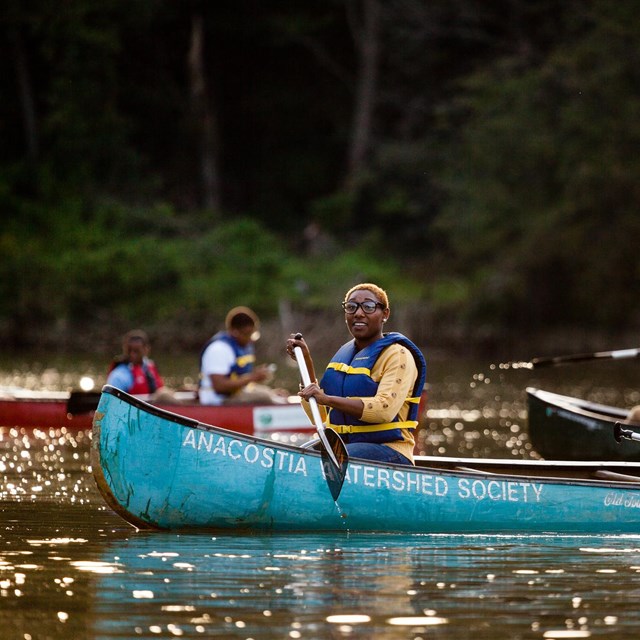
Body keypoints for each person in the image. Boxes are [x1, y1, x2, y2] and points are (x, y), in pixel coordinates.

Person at [286, 282, 426, 466]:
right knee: (295, 460)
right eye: (351, 307)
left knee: (329, 458)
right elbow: (319, 417)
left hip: (390, 451)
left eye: (368, 307)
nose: (358, 313)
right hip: (345, 446)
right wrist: (306, 362)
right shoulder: (345, 356)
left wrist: (327, 399)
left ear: (385, 314)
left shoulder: (398, 355)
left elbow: (383, 410)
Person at [199, 306, 286, 405]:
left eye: (253, 334)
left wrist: (268, 390)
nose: (250, 339)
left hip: (235, 394)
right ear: (234, 332)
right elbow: (219, 386)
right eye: (247, 334)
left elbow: (240, 380)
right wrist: (252, 377)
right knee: (265, 397)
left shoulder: (241, 345)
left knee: (273, 394)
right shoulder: (219, 349)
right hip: (217, 400)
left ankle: (281, 402)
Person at [106, 330, 165, 395]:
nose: (132, 354)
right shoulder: (119, 375)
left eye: (136, 351)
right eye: (129, 351)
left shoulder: (149, 366)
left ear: (146, 349)